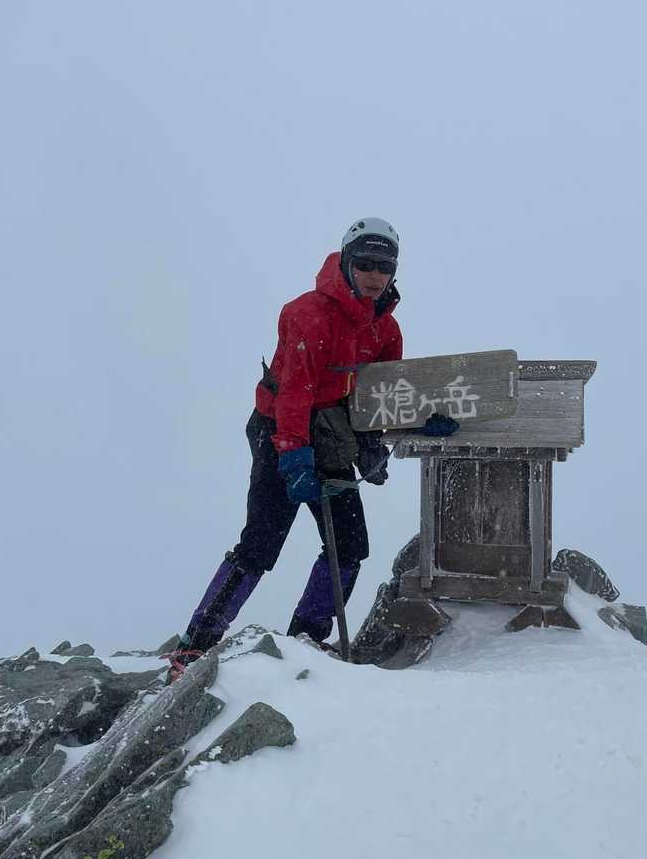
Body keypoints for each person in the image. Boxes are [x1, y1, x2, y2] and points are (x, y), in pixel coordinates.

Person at [166, 217, 457, 678]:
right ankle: (195, 645)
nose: (374, 275)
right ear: (346, 262)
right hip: (279, 430)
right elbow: (294, 392)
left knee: (349, 546)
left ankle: (306, 641)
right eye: (365, 263)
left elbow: (382, 398)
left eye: (384, 266)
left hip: (333, 434)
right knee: (260, 545)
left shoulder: (386, 330)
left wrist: (416, 426)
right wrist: (293, 457)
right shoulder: (307, 313)